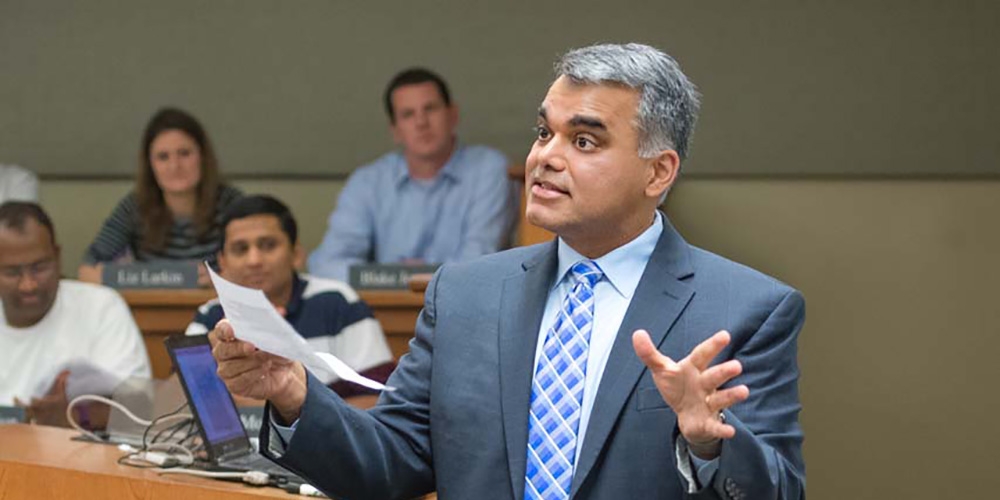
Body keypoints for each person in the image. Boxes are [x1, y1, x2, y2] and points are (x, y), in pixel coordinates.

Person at [211, 43, 806, 500]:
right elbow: (387, 462)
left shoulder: (743, 309)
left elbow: (778, 489)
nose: (546, 156)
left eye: (585, 141)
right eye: (545, 131)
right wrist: (292, 394)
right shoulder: (465, 295)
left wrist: (705, 444)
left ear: (658, 173)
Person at [307, 68, 518, 281]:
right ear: (395, 130)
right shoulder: (367, 182)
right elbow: (326, 263)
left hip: (466, 307)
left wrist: (414, 276)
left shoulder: (488, 169)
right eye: (408, 114)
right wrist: (395, 278)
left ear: (452, 115)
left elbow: (480, 262)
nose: (421, 123)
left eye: (431, 109)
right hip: (385, 311)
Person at [186, 195, 395, 402]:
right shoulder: (210, 315)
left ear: (296, 254)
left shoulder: (337, 301)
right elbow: (178, 402)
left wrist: (298, 412)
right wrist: (207, 362)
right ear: (222, 262)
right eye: (241, 249)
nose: (254, 260)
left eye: (268, 245)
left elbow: (377, 402)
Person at [0, 202, 151, 426]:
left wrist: (76, 417)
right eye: (12, 272)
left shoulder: (101, 307)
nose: (28, 285)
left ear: (58, 256)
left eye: (39, 268)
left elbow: (141, 410)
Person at [78, 107, 242, 283]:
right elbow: (86, 270)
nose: (175, 166)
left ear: (203, 157)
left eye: (184, 154)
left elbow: (255, 272)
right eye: (163, 157)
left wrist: (218, 279)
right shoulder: (135, 205)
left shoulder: (232, 204)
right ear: (150, 165)